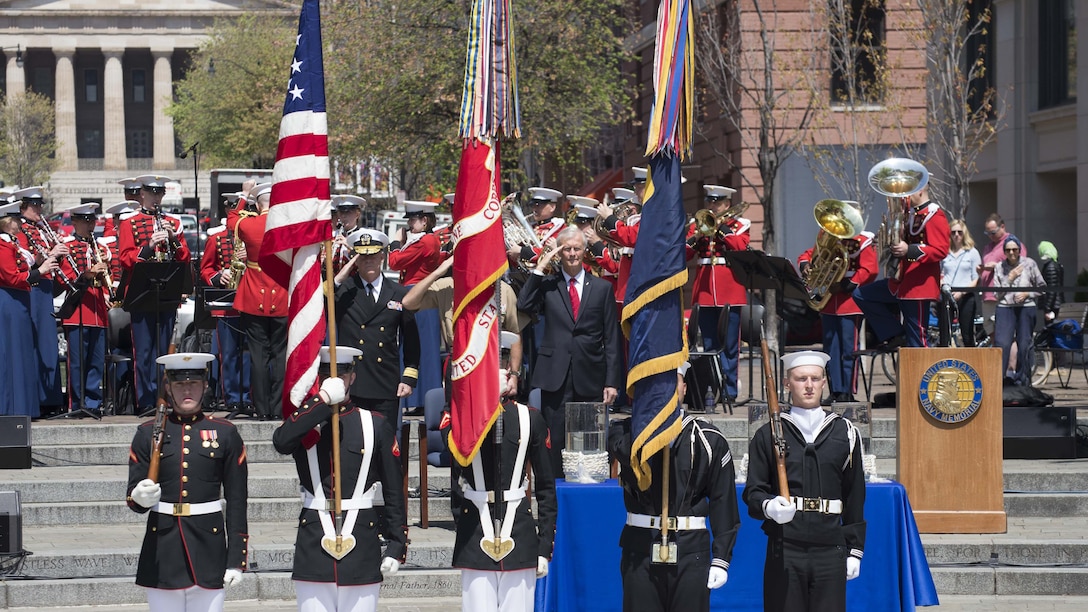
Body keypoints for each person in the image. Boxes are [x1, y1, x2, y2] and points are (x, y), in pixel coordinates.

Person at [272, 346, 406, 612]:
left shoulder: (375, 424)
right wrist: (321, 401)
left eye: (341, 375)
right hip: (314, 542)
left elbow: (393, 491)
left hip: (362, 542)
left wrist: (396, 544)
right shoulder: (305, 423)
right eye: (325, 375)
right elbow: (281, 441)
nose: (335, 381)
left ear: (352, 377)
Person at [607, 362, 741, 612]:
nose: (666, 387)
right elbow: (626, 452)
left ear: (685, 388)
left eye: (674, 380)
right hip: (640, 549)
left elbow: (724, 503)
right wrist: (654, 423)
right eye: (658, 380)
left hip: (691, 550)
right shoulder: (624, 431)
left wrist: (721, 558)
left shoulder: (708, 439)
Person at [743, 351, 866, 612]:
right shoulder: (767, 434)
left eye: (815, 378)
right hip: (786, 546)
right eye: (801, 379)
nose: (809, 385)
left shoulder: (845, 433)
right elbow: (753, 492)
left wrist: (855, 549)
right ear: (787, 384)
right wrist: (769, 506)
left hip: (830, 546)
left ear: (824, 382)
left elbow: (854, 494)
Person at [443, 330, 556, 612]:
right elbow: (456, 457)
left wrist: (544, 546)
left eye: (503, 362)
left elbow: (545, 489)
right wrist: (482, 402)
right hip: (475, 534)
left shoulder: (531, 418)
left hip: (519, 533)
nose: (501, 368)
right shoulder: (464, 418)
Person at [126, 352, 248, 612]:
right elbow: (134, 499)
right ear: (168, 388)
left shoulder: (225, 433)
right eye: (180, 384)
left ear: (205, 386)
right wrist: (139, 497)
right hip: (163, 549)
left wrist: (236, 559)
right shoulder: (148, 433)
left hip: (209, 548)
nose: (187, 390)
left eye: (193, 383)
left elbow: (237, 501)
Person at [516, 226, 623, 477]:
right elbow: (524, 304)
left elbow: (612, 338)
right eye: (567, 249)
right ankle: (554, 498)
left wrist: (612, 382)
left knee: (590, 443)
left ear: (585, 252)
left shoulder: (602, 288)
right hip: (556, 375)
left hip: (591, 374)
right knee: (554, 440)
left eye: (577, 248)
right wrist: (540, 267)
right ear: (559, 252)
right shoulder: (548, 285)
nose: (572, 254)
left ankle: (586, 492)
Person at [401, 255, 524, 404]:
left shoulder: (502, 290)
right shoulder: (447, 286)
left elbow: (515, 333)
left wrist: (515, 376)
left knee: (493, 419)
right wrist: (437, 272)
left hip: (492, 364)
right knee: (457, 419)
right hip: (459, 364)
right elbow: (408, 302)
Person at [117, 174, 192, 414]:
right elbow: (125, 258)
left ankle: (164, 397)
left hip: (166, 294)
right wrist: (149, 245)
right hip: (142, 294)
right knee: (144, 351)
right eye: (151, 193)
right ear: (141, 195)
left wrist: (173, 239)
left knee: (163, 350)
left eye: (159, 193)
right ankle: (146, 400)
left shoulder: (172, 222)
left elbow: (185, 259)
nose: (156, 198)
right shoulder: (130, 223)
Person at [333, 229, 420, 433]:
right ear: (356, 259)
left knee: (386, 446)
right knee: (354, 445)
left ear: (382, 256)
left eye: (373, 255)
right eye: (363, 257)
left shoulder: (398, 292)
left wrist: (408, 378)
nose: (369, 261)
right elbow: (322, 308)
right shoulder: (345, 291)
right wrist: (338, 279)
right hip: (353, 383)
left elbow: (411, 341)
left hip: (385, 382)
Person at [853, 184, 950, 348]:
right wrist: (886, 243)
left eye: (908, 192)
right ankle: (895, 334)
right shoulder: (912, 215)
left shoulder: (934, 215)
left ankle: (920, 372)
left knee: (917, 340)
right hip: (901, 282)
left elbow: (940, 250)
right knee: (861, 294)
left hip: (919, 286)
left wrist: (909, 250)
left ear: (921, 190)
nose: (903, 197)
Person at [686, 184, 751, 403]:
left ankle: (729, 391)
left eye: (717, 202)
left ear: (727, 204)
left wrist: (722, 230)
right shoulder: (698, 225)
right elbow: (684, 254)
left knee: (730, 345)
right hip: (704, 292)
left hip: (730, 290)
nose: (712, 206)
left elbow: (740, 247)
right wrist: (694, 237)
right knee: (710, 346)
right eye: (710, 202)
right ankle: (711, 390)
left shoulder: (740, 224)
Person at [797, 227, 878, 403]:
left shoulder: (862, 240)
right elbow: (810, 254)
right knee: (830, 349)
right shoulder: (828, 236)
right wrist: (805, 263)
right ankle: (835, 390)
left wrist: (849, 283)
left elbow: (870, 269)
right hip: (829, 301)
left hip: (850, 301)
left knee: (849, 350)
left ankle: (848, 391)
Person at [230, 182, 288, 420]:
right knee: (280, 355)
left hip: (254, 295)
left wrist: (244, 195)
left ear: (257, 204)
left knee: (257, 356)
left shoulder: (247, 223)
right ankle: (278, 408)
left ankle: (262, 409)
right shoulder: (286, 226)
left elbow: (231, 219)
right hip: (283, 295)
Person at [0, 200, 59, 418]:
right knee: (11, 354)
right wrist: (40, 270)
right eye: (14, 220)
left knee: (22, 353)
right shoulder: (2, 244)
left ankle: (24, 407)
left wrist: (38, 263)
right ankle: (11, 408)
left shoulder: (12, 243)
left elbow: (21, 270)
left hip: (19, 300)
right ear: (6, 223)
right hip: (9, 301)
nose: (18, 223)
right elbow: (11, 277)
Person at [388, 201, 444, 417]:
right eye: (409, 220)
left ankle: (424, 399)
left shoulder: (426, 241)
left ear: (425, 220)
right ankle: (416, 398)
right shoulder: (422, 239)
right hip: (413, 293)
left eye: (413, 220)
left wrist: (394, 242)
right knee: (413, 345)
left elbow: (395, 262)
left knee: (423, 348)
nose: (410, 224)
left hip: (419, 294)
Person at [14, 186, 67, 412]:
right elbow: (24, 263)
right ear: (23, 207)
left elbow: (50, 262)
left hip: (45, 287)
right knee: (36, 342)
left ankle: (51, 399)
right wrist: (46, 258)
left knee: (48, 342)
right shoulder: (20, 230)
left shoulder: (42, 230)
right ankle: (37, 400)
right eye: (35, 205)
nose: (40, 209)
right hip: (33, 287)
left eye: (40, 204)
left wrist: (60, 255)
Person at [57, 204, 112, 418]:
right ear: (75, 222)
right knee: (78, 362)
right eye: (86, 221)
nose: (91, 225)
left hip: (98, 312)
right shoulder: (67, 246)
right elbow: (67, 279)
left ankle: (92, 402)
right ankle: (77, 403)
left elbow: (109, 279)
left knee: (96, 362)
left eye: (93, 221)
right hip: (78, 311)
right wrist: (89, 273)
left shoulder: (100, 247)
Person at [199, 217, 252, 416]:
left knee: (248, 355)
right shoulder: (216, 239)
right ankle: (231, 398)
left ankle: (248, 398)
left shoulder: (254, 239)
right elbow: (206, 269)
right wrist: (219, 276)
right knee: (228, 355)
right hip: (226, 306)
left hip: (251, 303)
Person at [992, 236, 1046, 386]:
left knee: (1024, 344)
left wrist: (1027, 293)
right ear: (1004, 251)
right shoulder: (999, 267)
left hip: (1026, 307)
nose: (1011, 253)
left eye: (1014, 249)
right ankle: (999, 382)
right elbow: (996, 294)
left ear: (1019, 250)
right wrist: (1010, 278)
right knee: (1002, 344)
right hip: (1005, 307)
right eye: (1008, 250)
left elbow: (1042, 287)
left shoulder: (1029, 264)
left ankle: (1023, 382)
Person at [977, 213, 1025, 335]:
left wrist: (997, 266)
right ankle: (998, 355)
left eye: (993, 232)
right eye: (987, 233)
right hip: (987, 296)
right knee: (991, 332)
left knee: (1006, 334)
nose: (990, 236)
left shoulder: (1012, 244)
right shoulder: (988, 247)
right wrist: (980, 272)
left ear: (1002, 227)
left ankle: (1008, 355)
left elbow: (1022, 266)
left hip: (1004, 296)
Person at [937, 219, 982, 347]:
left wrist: (962, 293)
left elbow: (976, 279)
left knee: (967, 334)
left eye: (960, 232)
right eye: (953, 232)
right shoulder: (944, 252)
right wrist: (944, 287)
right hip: (947, 295)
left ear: (964, 234)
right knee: (945, 333)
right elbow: (939, 274)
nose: (956, 235)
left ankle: (970, 364)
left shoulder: (972, 252)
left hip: (966, 296)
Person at [1036, 240, 1065, 323]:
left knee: (1051, 329)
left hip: (1053, 306)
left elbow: (1051, 289)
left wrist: (1047, 308)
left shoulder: (1050, 266)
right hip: (1056, 304)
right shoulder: (1056, 264)